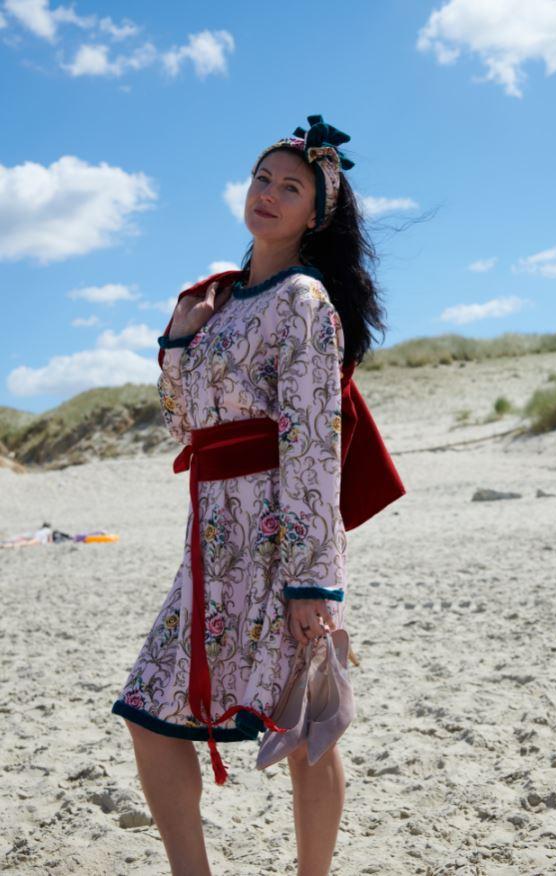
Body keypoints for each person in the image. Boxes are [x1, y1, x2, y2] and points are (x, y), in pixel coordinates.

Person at [110, 114, 401, 876]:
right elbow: (184, 428)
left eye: (290, 187)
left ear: (316, 213)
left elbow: (312, 441)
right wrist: (178, 343)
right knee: (148, 710)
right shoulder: (217, 302)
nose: (268, 194)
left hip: (281, 544)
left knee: (306, 726)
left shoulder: (305, 301)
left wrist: (312, 581)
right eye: (261, 179)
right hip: (209, 547)